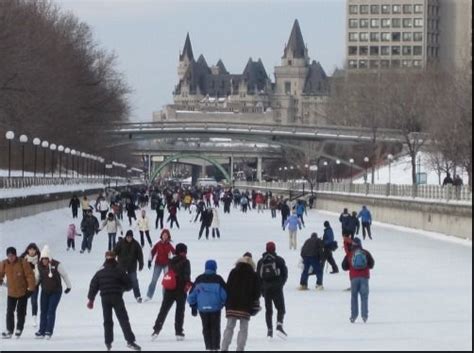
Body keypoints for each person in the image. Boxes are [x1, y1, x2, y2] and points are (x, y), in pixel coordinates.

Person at [87, 251, 141, 351]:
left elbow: (93, 285)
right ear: (115, 258)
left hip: (105, 299)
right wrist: (122, 289)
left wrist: (91, 299)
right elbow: (129, 284)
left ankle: (108, 342)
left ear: (105, 258)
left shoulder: (100, 271)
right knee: (123, 319)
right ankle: (130, 341)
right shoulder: (119, 270)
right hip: (117, 297)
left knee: (107, 321)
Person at [152, 243, 192, 341]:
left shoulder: (171, 261)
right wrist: (189, 283)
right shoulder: (186, 262)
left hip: (169, 289)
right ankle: (178, 332)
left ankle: (156, 330)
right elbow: (186, 275)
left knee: (163, 310)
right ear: (184, 251)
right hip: (180, 290)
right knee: (179, 311)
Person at [221, 252, 261, 351]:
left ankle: (224, 348)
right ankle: (240, 349)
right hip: (245, 305)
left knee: (229, 327)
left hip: (232, 304)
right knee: (243, 329)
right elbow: (257, 292)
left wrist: (227, 303)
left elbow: (227, 287)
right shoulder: (254, 274)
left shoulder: (233, 272)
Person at [188, 260, 227, 351]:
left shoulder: (199, 279)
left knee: (206, 327)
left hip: (202, 308)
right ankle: (215, 347)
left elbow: (191, 296)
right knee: (215, 327)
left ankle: (208, 347)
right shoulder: (218, 279)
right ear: (215, 268)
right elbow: (225, 294)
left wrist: (193, 306)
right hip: (215, 308)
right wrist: (222, 304)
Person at [35, 245, 72, 339]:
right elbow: (37, 278)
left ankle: (48, 331)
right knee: (43, 311)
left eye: (46, 259)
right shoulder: (39, 266)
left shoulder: (57, 264)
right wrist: (33, 287)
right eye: (43, 259)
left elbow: (65, 275)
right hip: (45, 291)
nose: (44, 261)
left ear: (49, 258)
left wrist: (68, 286)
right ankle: (41, 330)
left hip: (56, 291)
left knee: (51, 311)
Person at [0, 247, 36, 339]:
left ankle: (19, 328)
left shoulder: (22, 262)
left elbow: (30, 275)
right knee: (9, 312)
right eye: (8, 256)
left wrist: (31, 289)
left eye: (12, 255)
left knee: (21, 312)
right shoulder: (4, 263)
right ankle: (9, 330)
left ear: (15, 255)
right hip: (11, 292)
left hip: (23, 292)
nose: (10, 258)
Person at [257, 242, 288, 339]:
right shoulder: (279, 260)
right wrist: (281, 284)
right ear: (274, 249)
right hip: (277, 287)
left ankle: (269, 331)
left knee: (268, 310)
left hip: (266, 289)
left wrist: (262, 290)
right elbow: (285, 273)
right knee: (281, 308)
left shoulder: (261, 261)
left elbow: (258, 277)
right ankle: (279, 325)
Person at [342, 237, 375, 323]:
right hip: (364, 277)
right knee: (364, 297)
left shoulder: (350, 254)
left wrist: (351, 266)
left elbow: (344, 266)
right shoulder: (366, 252)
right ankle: (364, 316)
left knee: (354, 297)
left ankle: (353, 316)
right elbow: (372, 264)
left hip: (354, 278)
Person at [145, 229, 175, 301]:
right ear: (161, 235)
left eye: (166, 235)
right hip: (158, 264)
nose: (165, 236)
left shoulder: (170, 244)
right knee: (154, 280)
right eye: (163, 235)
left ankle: (165, 297)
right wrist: (149, 260)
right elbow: (152, 252)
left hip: (167, 264)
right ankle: (149, 296)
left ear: (168, 236)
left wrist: (171, 259)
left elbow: (175, 254)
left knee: (166, 281)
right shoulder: (158, 243)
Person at [114, 231, 144, 303]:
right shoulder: (120, 243)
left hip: (132, 266)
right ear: (126, 236)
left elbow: (140, 255)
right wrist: (112, 262)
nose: (129, 238)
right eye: (128, 237)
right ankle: (118, 295)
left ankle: (138, 296)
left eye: (130, 237)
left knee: (134, 281)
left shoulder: (136, 244)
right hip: (121, 266)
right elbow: (114, 252)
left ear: (132, 237)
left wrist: (141, 264)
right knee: (120, 281)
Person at [20, 244, 41, 328]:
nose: (32, 251)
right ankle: (22, 318)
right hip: (24, 284)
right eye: (30, 249)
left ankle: (34, 318)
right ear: (27, 250)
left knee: (34, 301)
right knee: (23, 301)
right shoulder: (22, 259)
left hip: (35, 284)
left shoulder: (39, 259)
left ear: (36, 250)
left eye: (33, 249)